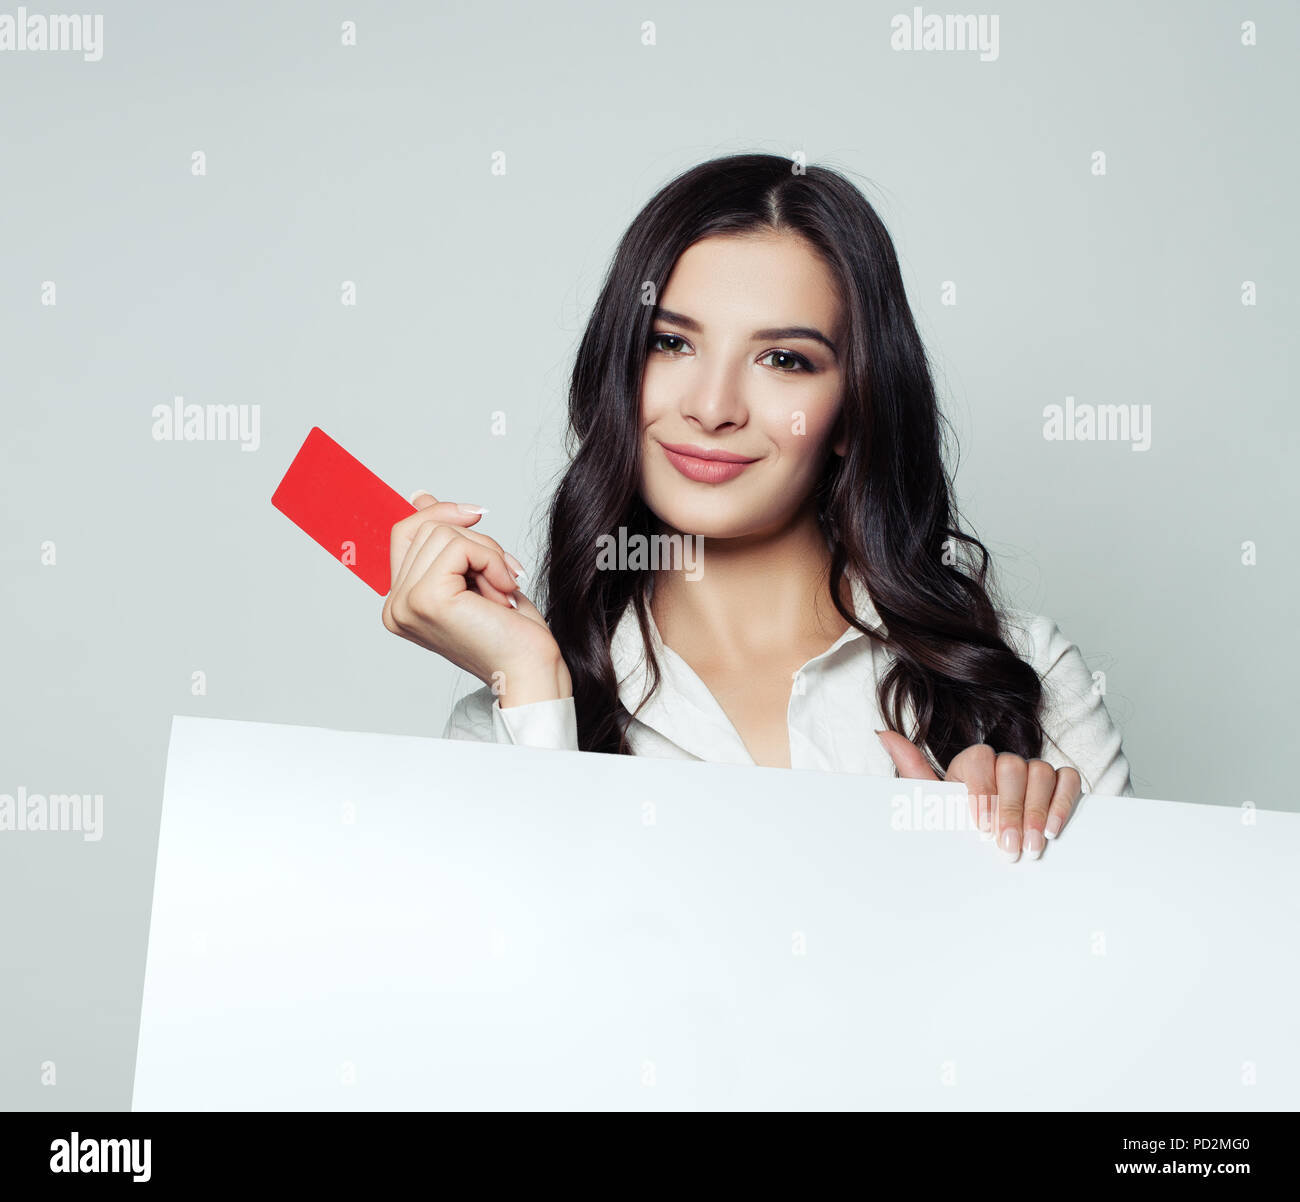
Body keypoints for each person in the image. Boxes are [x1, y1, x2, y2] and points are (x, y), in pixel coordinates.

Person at [381, 153, 1134, 862]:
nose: (712, 408)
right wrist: (534, 688)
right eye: (670, 343)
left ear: (854, 409)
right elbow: (533, 982)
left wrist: (981, 881)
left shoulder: (1025, 677)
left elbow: (1125, 985)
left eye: (784, 360)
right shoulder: (515, 715)